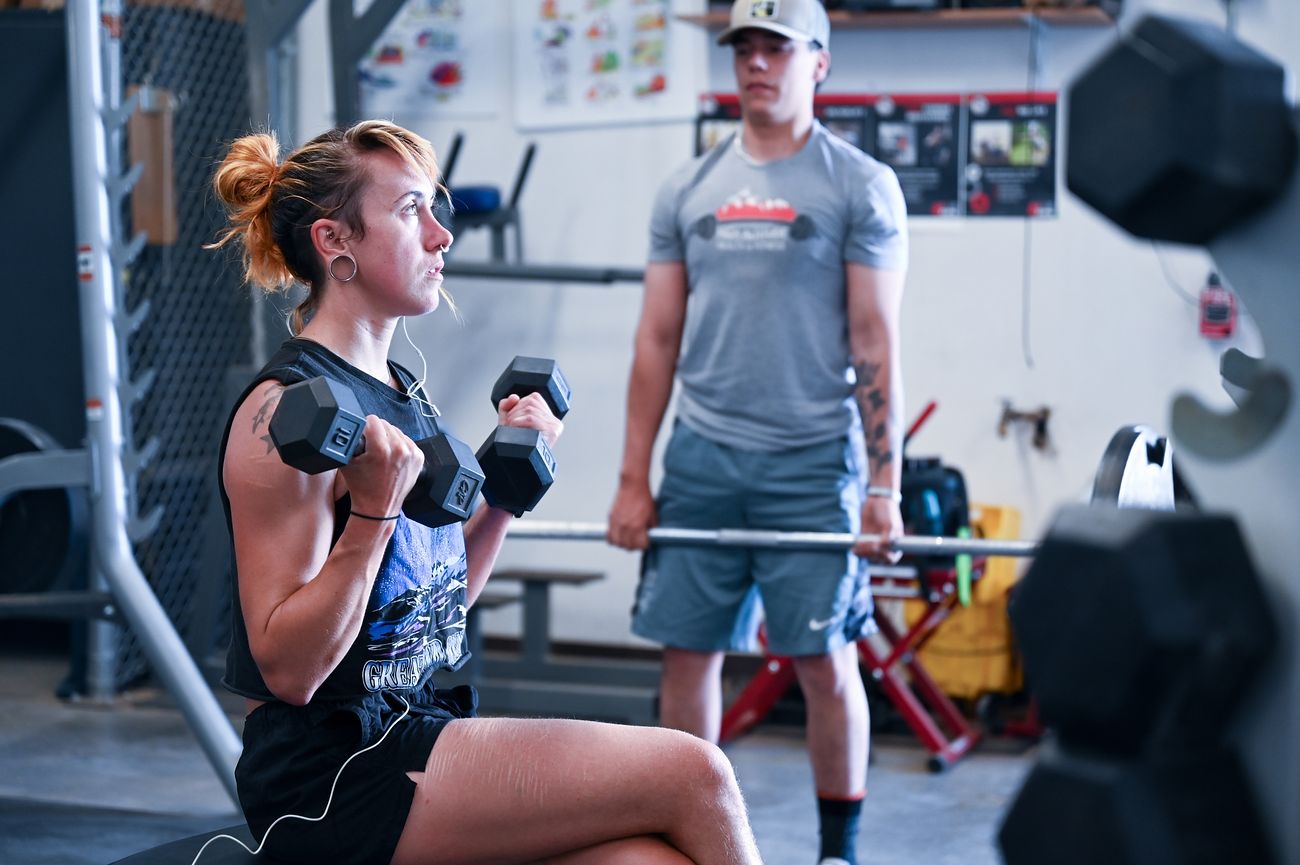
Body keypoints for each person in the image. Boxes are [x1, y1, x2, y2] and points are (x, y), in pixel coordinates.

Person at [210, 120, 765, 865]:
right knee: (699, 771)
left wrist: (502, 497)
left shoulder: (405, 394)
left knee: (645, 861)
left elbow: (431, 612)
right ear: (336, 241)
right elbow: (290, 670)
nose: (442, 235)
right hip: (336, 773)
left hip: (420, 724)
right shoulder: (282, 412)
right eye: (411, 211)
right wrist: (371, 515)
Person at [606, 2, 909, 864]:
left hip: (814, 460)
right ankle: (689, 837)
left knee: (823, 663)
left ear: (818, 62)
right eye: (744, 46)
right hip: (702, 452)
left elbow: (874, 341)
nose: (756, 62)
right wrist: (635, 476)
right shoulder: (687, 188)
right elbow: (656, 338)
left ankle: (836, 851)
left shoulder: (860, 185)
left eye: (777, 46)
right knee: (689, 658)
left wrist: (882, 484)